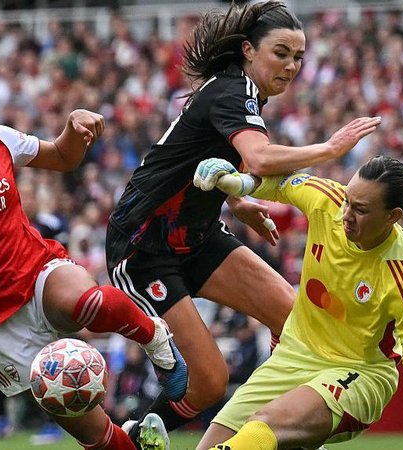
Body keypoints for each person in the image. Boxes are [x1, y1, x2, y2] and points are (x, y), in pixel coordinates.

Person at [105, 1, 381, 441]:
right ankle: (132, 435)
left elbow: (206, 162)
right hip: (144, 246)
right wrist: (330, 149)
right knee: (209, 380)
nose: (292, 65)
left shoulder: (242, 93)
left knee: (295, 320)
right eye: (282, 52)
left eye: (298, 57)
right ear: (249, 50)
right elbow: (258, 157)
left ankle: (264, 426)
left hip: (196, 237)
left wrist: (238, 202)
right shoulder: (234, 91)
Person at [0, 76, 187, 450]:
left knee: (86, 302)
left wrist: (73, 127)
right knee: (98, 435)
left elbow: (62, 156)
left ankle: (157, 340)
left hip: (36, 269)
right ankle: (133, 442)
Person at [188, 155, 403, 450]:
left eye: (360, 210)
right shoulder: (328, 200)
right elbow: (279, 184)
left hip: (359, 373)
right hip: (294, 356)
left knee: (262, 429)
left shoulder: (401, 273)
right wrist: (238, 182)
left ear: (393, 216)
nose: (345, 214)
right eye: (348, 200)